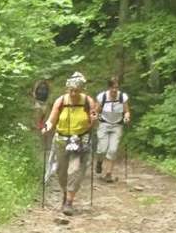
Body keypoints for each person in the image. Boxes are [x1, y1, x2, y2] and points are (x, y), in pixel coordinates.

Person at [44, 72, 97, 216]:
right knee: (61, 172)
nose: (73, 93)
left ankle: (69, 202)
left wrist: (93, 120)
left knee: (75, 170)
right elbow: (52, 119)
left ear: (82, 90)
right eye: (71, 90)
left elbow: (93, 118)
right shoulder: (61, 101)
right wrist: (47, 126)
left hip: (80, 141)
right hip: (61, 140)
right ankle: (66, 192)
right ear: (67, 89)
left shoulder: (88, 101)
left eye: (77, 91)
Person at [94, 76, 131, 181]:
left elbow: (126, 111)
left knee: (113, 150)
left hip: (117, 126)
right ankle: (99, 162)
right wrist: (94, 116)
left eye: (116, 87)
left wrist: (127, 116)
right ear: (109, 87)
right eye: (112, 87)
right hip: (104, 124)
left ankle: (109, 174)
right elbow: (96, 110)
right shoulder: (103, 97)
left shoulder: (122, 97)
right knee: (102, 149)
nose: (114, 90)